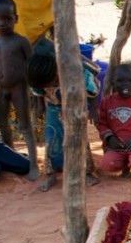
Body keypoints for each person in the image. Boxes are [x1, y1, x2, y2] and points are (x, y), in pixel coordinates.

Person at [26, 38, 101, 191]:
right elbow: (37, 92)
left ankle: (85, 172)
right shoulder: (38, 73)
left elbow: (94, 87)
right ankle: (51, 174)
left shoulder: (74, 69)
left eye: (51, 83)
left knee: (79, 139)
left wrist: (93, 109)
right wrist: (40, 105)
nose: (49, 87)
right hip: (53, 110)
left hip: (74, 109)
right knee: (52, 139)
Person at [0, 0, 40, 181]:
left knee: (26, 126)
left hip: (19, 88)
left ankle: (33, 163)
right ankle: (11, 156)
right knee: (3, 124)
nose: (2, 23)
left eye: (7, 18)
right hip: (1, 91)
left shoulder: (21, 42)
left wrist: (35, 93)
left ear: (16, 19)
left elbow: (32, 67)